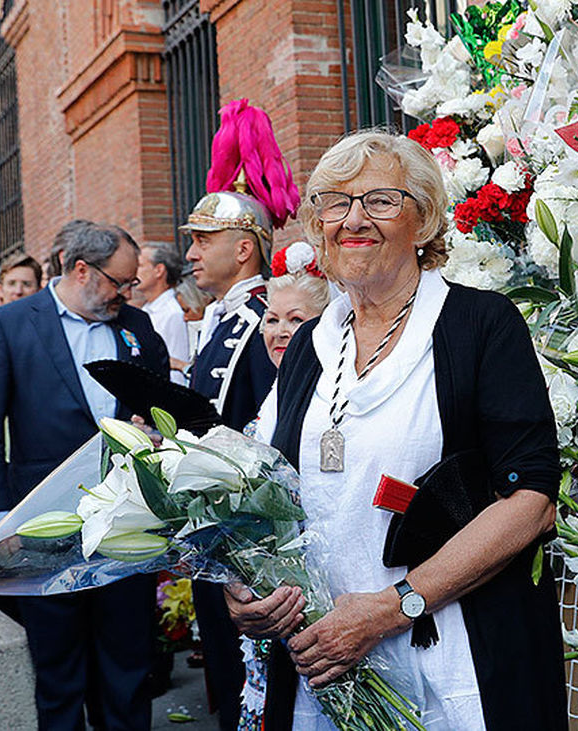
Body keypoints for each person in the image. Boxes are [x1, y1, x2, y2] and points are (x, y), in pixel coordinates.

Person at [226, 132, 566, 730]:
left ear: (425, 219)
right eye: (335, 202)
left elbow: (531, 501)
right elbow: (264, 488)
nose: (353, 220)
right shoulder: (310, 343)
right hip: (324, 667)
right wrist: (246, 586)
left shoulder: (479, 326)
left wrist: (391, 609)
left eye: (381, 201)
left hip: (450, 655)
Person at [0, 221, 168, 731]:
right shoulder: (10, 323)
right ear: (81, 270)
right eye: (119, 282)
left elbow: (164, 408)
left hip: (127, 525)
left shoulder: (137, 328)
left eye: (131, 285)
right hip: (42, 525)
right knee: (58, 669)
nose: (127, 293)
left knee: (127, 664)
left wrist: (155, 430)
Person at [182, 99, 300, 730]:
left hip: (250, 536)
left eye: (205, 240)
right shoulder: (222, 317)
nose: (193, 253)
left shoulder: (261, 319)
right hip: (216, 527)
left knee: (252, 686)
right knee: (229, 680)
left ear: (246, 248)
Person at [237, 241, 329, 731]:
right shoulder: (269, 395)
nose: (279, 332)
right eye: (271, 319)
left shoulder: (329, 395)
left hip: (319, 599)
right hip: (268, 600)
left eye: (295, 320)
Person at [133, 242, 189, 383]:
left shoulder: (173, 312)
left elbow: (177, 366)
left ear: (159, 270)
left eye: (139, 265)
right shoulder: (146, 309)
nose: (134, 271)